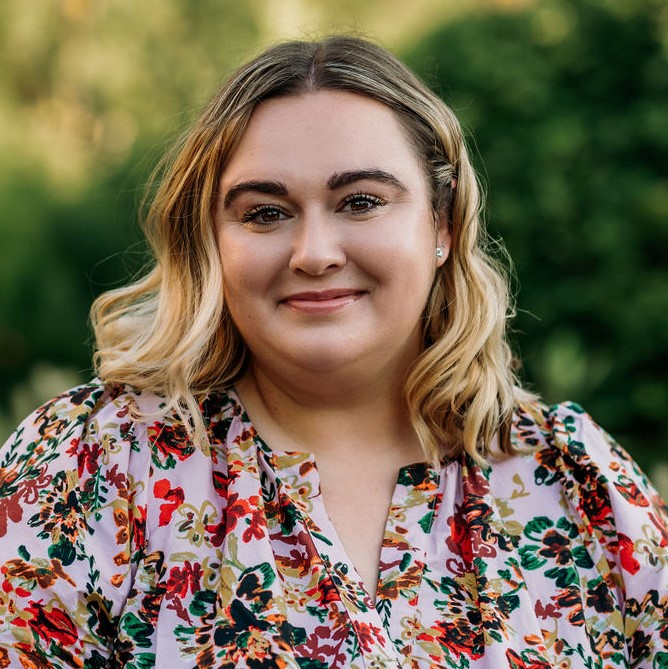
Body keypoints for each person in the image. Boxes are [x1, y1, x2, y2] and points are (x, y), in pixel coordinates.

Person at [0, 35, 666, 669]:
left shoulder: (578, 485)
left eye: (361, 201)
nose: (315, 253)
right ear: (212, 241)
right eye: (264, 212)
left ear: (443, 226)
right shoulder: (92, 468)